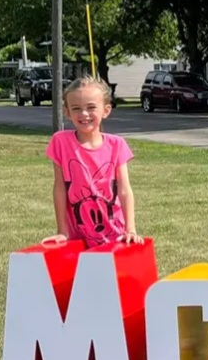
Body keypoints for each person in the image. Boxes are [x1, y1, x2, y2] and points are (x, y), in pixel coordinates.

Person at [43, 76, 142, 247]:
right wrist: (62, 231)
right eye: (76, 108)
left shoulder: (116, 145)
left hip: (115, 235)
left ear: (106, 110)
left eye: (91, 107)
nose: (84, 114)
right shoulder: (60, 142)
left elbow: (125, 191)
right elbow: (59, 189)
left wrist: (130, 229)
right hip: (77, 238)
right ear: (67, 112)